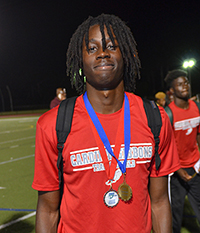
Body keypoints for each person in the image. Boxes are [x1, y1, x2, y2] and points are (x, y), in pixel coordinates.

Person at [32, 14, 181, 233]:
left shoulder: (155, 118)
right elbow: (47, 210)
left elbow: (159, 202)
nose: (102, 53)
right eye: (92, 49)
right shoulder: (53, 124)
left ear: (126, 55)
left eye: (112, 46)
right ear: (80, 60)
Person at [164, 69, 200, 233]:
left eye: (186, 82)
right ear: (172, 91)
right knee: (175, 216)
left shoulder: (196, 107)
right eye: (179, 84)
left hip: (195, 169)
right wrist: (179, 170)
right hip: (175, 173)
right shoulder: (168, 114)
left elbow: (198, 134)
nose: (185, 86)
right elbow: (164, 148)